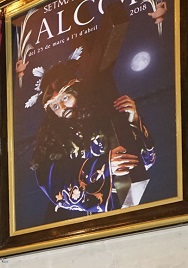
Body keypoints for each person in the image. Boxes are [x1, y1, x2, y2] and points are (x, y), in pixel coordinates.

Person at [29, 58, 155, 215]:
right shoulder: (56, 141)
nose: (62, 107)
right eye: (55, 106)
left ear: (76, 92)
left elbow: (146, 161)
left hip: (129, 199)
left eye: (65, 98)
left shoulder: (105, 118)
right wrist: (103, 165)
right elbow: (54, 183)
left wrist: (132, 119)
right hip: (91, 214)